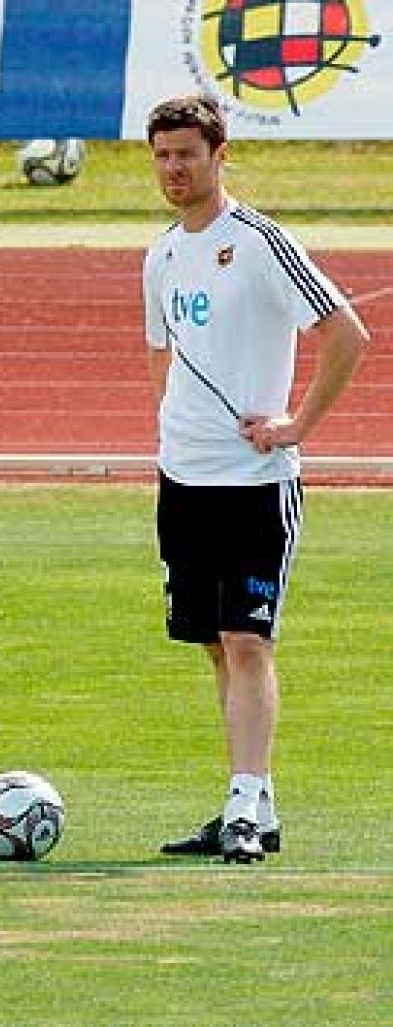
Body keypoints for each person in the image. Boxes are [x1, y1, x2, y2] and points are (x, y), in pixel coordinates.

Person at [142, 96, 369, 863]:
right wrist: (173, 433)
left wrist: (297, 425)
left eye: (187, 154)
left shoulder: (261, 243)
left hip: (254, 482)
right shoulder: (161, 255)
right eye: (162, 155)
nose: (174, 169)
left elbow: (346, 334)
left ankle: (242, 805)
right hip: (183, 480)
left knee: (248, 639)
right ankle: (253, 806)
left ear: (220, 155)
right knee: (215, 643)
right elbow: (160, 353)